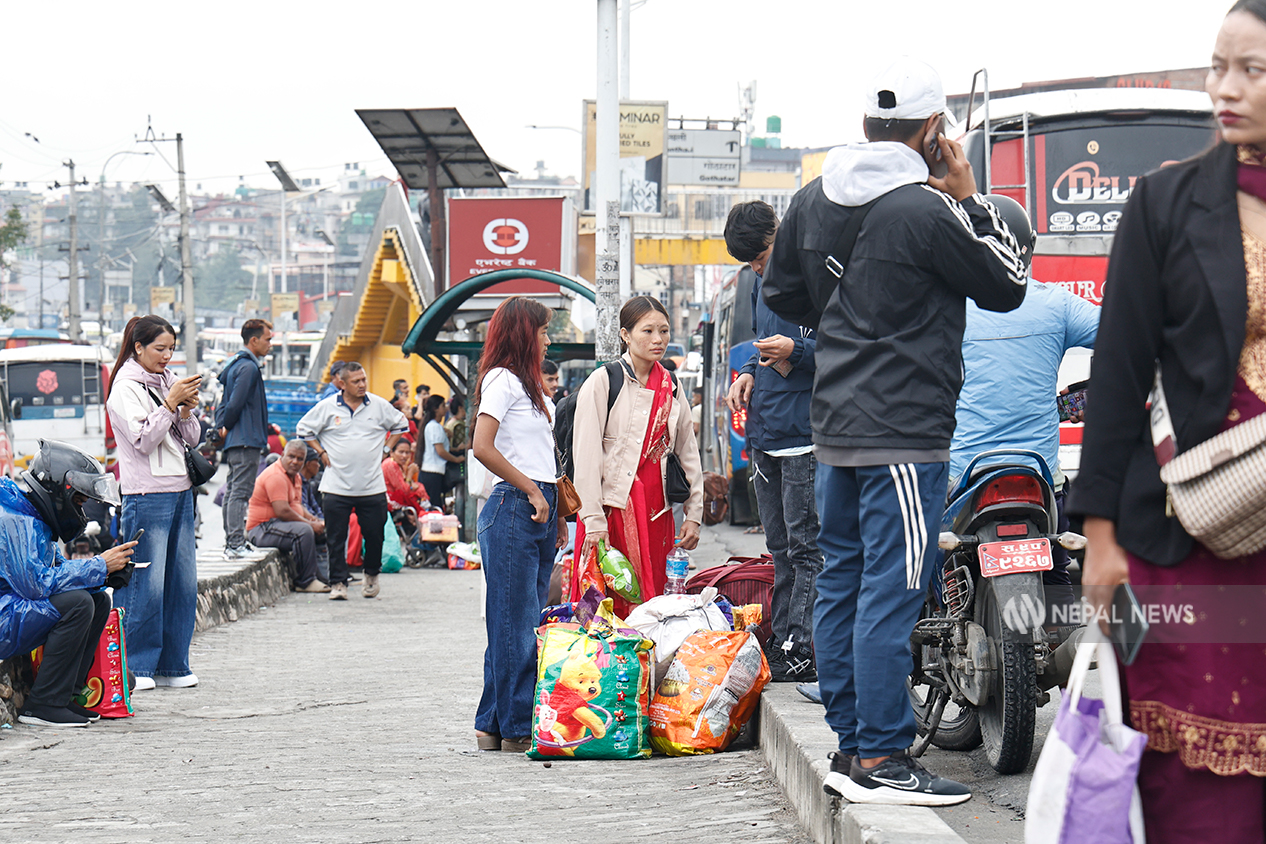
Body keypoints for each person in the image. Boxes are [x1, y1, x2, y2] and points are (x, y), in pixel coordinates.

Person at [762, 57, 1027, 806]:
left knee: (843, 585)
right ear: (934, 132)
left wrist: (851, 324)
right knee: (892, 593)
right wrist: (970, 197)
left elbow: (782, 290)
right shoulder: (925, 207)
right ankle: (881, 758)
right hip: (905, 431)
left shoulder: (813, 198)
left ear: (867, 127)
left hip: (836, 426)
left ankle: (853, 748)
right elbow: (1007, 283)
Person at [1072, 6, 1266, 839]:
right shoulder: (1165, 203)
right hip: (1194, 540)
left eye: (1251, 70)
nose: (1223, 88)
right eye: (1217, 65)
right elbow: (1116, 379)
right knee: (1200, 800)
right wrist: (1102, 542)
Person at [950, 195, 1099, 612]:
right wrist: (1081, 400)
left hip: (962, 475)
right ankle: (1063, 642)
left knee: (925, 561)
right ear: (1029, 248)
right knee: (1055, 568)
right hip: (1038, 476)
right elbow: (1129, 340)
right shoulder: (1058, 304)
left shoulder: (944, 308)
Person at [724, 200, 823, 683]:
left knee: (808, 549)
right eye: (751, 265)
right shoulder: (759, 284)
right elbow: (761, 342)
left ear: (779, 234)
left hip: (808, 435)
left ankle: (803, 646)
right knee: (780, 549)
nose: (758, 269)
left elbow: (852, 348)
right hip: (765, 433)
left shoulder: (820, 272)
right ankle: (784, 641)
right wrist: (746, 373)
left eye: (760, 258)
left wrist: (798, 350)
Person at [469, 296, 566, 753]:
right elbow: (482, 446)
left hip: (540, 506)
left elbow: (540, 456)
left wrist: (556, 507)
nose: (548, 340)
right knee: (517, 622)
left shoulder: (532, 389)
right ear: (524, 334)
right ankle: (515, 726)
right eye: (544, 331)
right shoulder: (502, 381)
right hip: (515, 504)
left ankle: (491, 723)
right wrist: (529, 489)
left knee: (517, 621)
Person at [572, 296, 705, 616]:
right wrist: (592, 520)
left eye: (664, 330)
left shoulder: (672, 386)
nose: (658, 339)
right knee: (605, 603)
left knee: (655, 602)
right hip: (609, 511)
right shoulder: (604, 382)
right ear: (625, 335)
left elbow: (688, 451)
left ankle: (647, 664)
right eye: (647, 331)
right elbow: (586, 456)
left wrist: (694, 514)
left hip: (657, 512)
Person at [1, 440, 137, 727]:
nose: (81, 511)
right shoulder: (15, 520)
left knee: (98, 601)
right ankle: (43, 704)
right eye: (79, 502)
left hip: (11, 610)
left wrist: (104, 576)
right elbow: (36, 585)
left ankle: (68, 696)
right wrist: (99, 565)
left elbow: (56, 571)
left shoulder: (32, 516)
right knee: (77, 604)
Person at [107, 315, 207, 691]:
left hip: (181, 491)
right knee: (144, 582)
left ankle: (173, 666)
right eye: (160, 349)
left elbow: (193, 437)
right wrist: (169, 404)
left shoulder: (168, 381)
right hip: (146, 495)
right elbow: (144, 441)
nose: (167, 356)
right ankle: (136, 667)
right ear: (138, 348)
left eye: (171, 349)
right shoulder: (124, 389)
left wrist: (183, 408)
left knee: (181, 582)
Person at [297, 362, 409, 601]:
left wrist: (388, 448)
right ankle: (338, 583)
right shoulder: (327, 407)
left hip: (372, 486)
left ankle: (371, 575)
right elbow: (304, 429)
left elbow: (401, 424)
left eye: (364, 380)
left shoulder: (378, 405)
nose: (361, 385)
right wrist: (321, 452)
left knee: (375, 534)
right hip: (336, 485)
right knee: (336, 537)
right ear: (342, 383)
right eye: (356, 381)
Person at [216, 318, 273, 560]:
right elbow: (235, 403)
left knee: (233, 491)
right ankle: (236, 543)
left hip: (239, 439)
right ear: (254, 340)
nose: (270, 344)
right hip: (246, 438)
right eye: (268, 339)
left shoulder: (236, 365)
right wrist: (226, 426)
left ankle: (233, 541)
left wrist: (224, 427)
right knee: (240, 492)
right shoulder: (249, 368)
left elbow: (226, 403)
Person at [246, 440, 328, 593]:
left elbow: (298, 506)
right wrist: (310, 525)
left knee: (316, 527)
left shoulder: (295, 476)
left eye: (299, 459)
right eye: (291, 457)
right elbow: (283, 511)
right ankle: (305, 582)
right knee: (303, 531)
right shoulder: (276, 476)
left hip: (276, 525)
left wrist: (314, 520)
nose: (295, 462)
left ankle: (320, 575)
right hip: (261, 528)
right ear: (283, 455)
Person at [418, 394, 464, 507]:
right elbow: (440, 451)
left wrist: (455, 448)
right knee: (434, 505)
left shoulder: (435, 426)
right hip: (432, 472)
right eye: (443, 406)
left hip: (433, 472)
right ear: (435, 409)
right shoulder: (434, 426)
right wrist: (456, 459)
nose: (446, 408)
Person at [383, 437, 429, 515]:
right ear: (392, 453)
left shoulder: (400, 465)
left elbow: (411, 486)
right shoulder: (390, 464)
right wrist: (410, 474)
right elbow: (404, 491)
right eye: (401, 452)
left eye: (407, 452)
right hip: (392, 506)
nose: (404, 456)